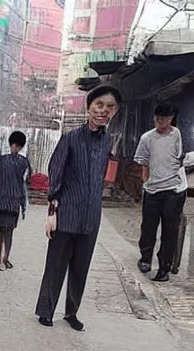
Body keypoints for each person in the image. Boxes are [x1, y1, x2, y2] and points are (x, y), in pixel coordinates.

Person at [35, 85, 121, 331]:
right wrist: (52, 212)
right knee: (56, 265)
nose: (103, 111)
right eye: (99, 105)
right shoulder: (70, 139)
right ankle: (46, 310)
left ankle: (71, 312)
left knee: (81, 268)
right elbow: (56, 174)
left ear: (115, 112)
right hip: (66, 214)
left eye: (110, 107)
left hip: (91, 217)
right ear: (89, 107)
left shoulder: (107, 143)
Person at [134, 102, 187, 282]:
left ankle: (164, 267)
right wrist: (146, 182)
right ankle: (145, 258)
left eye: (164, 118)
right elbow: (143, 162)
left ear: (171, 119)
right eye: (157, 117)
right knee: (148, 227)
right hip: (152, 190)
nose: (159, 121)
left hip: (172, 190)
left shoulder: (176, 135)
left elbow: (179, 158)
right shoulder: (147, 138)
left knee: (169, 231)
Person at [0, 131, 29, 270]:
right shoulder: (24, 163)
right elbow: (25, 184)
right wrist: (24, 206)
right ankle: (5, 258)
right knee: (9, 231)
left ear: (11, 144)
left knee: (0, 230)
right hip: (14, 202)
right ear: (20, 146)